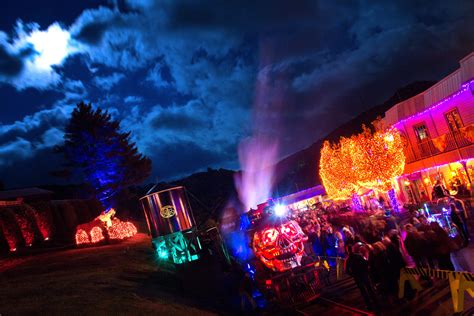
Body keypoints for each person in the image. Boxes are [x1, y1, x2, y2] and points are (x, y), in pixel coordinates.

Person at [345, 243, 378, 310]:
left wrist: (353, 275)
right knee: (369, 288)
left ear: (347, 251)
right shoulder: (358, 256)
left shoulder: (348, 260)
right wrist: (365, 270)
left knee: (363, 291)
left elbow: (346, 270)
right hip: (363, 274)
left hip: (357, 277)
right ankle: (375, 302)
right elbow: (365, 263)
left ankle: (369, 305)